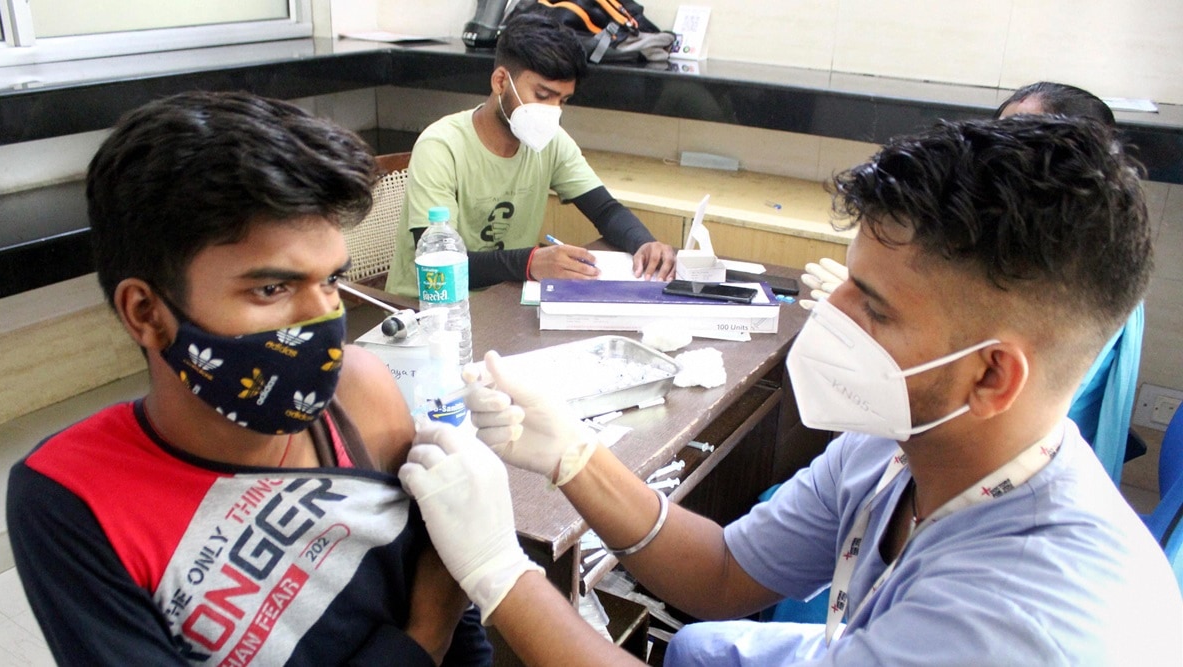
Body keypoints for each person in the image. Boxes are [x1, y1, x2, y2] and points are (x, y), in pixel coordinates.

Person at [400, 116, 1183, 665]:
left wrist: (499, 573)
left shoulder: (1020, 624)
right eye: (848, 282)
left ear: (990, 374)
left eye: (870, 305)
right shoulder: (903, 444)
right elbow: (724, 573)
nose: (827, 316)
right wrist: (575, 453)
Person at [7, 91, 490, 666]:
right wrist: (425, 633)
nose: (322, 320)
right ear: (145, 312)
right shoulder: (72, 497)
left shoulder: (360, 394)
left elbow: (463, 634)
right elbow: (438, 608)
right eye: (271, 289)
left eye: (331, 281)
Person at [802, 80, 1145, 483]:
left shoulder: (1067, 307)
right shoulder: (884, 442)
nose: (993, 160)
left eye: (1021, 146)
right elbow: (737, 548)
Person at [384, 10, 675, 298]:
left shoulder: (551, 142)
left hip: (504, 302)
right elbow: (442, 263)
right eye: (542, 95)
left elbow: (605, 210)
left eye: (563, 101)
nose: (552, 112)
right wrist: (531, 262)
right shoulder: (441, 147)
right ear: (500, 82)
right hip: (430, 311)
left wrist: (644, 243)